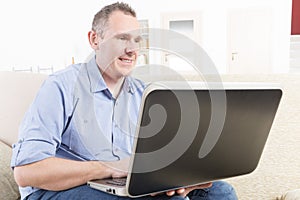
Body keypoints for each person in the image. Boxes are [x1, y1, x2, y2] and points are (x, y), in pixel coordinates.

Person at [11, 2, 238, 200]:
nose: (131, 50)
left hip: (120, 186)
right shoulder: (61, 86)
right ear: (94, 40)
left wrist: (179, 177)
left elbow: (154, 161)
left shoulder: (144, 94)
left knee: (221, 193)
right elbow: (26, 172)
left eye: (137, 40)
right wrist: (108, 168)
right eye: (122, 38)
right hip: (54, 192)